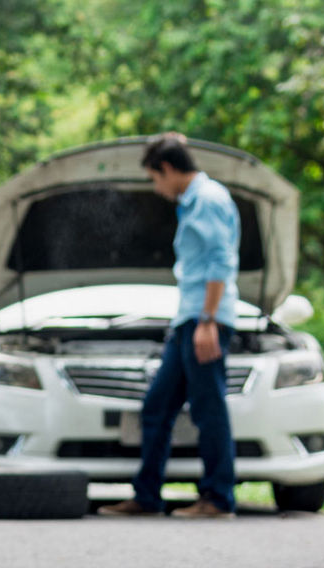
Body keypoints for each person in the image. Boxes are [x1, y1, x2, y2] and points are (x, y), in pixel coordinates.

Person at [99, 133, 241, 519]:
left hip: (204, 318)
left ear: (167, 169)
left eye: (154, 178)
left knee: (208, 409)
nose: (156, 188)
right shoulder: (192, 202)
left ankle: (218, 499)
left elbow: (220, 263)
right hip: (188, 319)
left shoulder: (208, 200)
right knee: (157, 407)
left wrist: (208, 321)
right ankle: (146, 497)